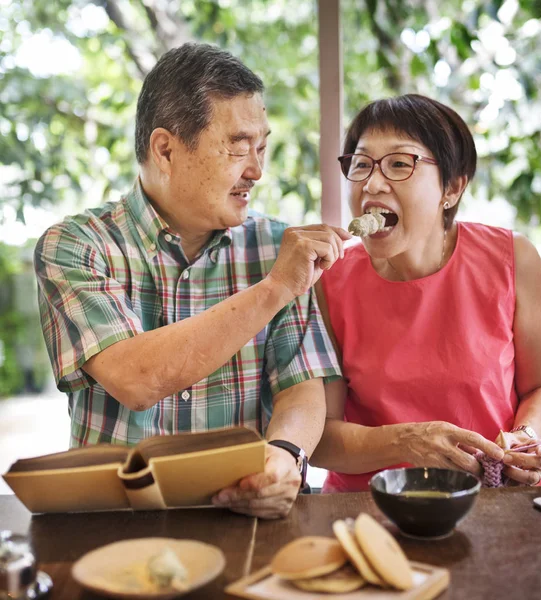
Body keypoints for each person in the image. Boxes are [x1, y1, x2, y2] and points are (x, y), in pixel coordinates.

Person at [34, 43, 351, 518]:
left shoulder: (275, 246)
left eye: (262, 147)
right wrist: (274, 288)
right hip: (112, 529)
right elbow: (136, 379)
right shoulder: (76, 247)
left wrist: (285, 457)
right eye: (239, 147)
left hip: (245, 521)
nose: (257, 171)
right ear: (165, 149)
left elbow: (301, 385)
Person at [310, 94, 541, 492]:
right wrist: (406, 442)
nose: (372, 183)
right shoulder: (329, 280)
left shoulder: (513, 258)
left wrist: (526, 435)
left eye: (400, 163)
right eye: (361, 165)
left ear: (452, 187)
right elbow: (320, 439)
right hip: (372, 506)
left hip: (502, 498)